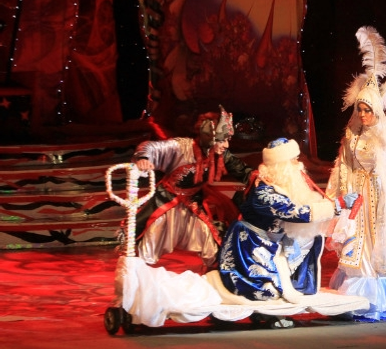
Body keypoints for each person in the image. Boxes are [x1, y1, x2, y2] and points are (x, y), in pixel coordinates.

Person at [325, 26, 386, 321]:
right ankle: (353, 297)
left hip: (380, 199)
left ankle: (376, 301)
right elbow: (343, 164)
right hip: (356, 198)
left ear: (377, 110)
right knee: (355, 244)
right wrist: (342, 194)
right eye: (360, 109)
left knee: (376, 246)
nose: (363, 114)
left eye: (368, 109)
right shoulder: (352, 135)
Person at [218, 137, 359, 302]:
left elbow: (304, 204)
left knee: (312, 238)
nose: (299, 164)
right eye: (294, 160)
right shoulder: (263, 192)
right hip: (252, 244)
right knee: (267, 292)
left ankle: (290, 282)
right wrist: (337, 205)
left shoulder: (282, 185)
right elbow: (294, 212)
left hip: (273, 241)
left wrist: (335, 206)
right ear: (281, 166)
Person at [132, 105, 252, 269]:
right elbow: (150, 147)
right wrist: (144, 158)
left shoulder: (221, 155)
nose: (226, 145)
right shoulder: (181, 147)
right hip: (166, 201)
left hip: (193, 202)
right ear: (209, 137)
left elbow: (242, 170)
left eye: (227, 140)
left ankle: (216, 273)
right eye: (221, 140)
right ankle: (140, 276)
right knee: (152, 239)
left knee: (210, 239)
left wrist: (260, 177)